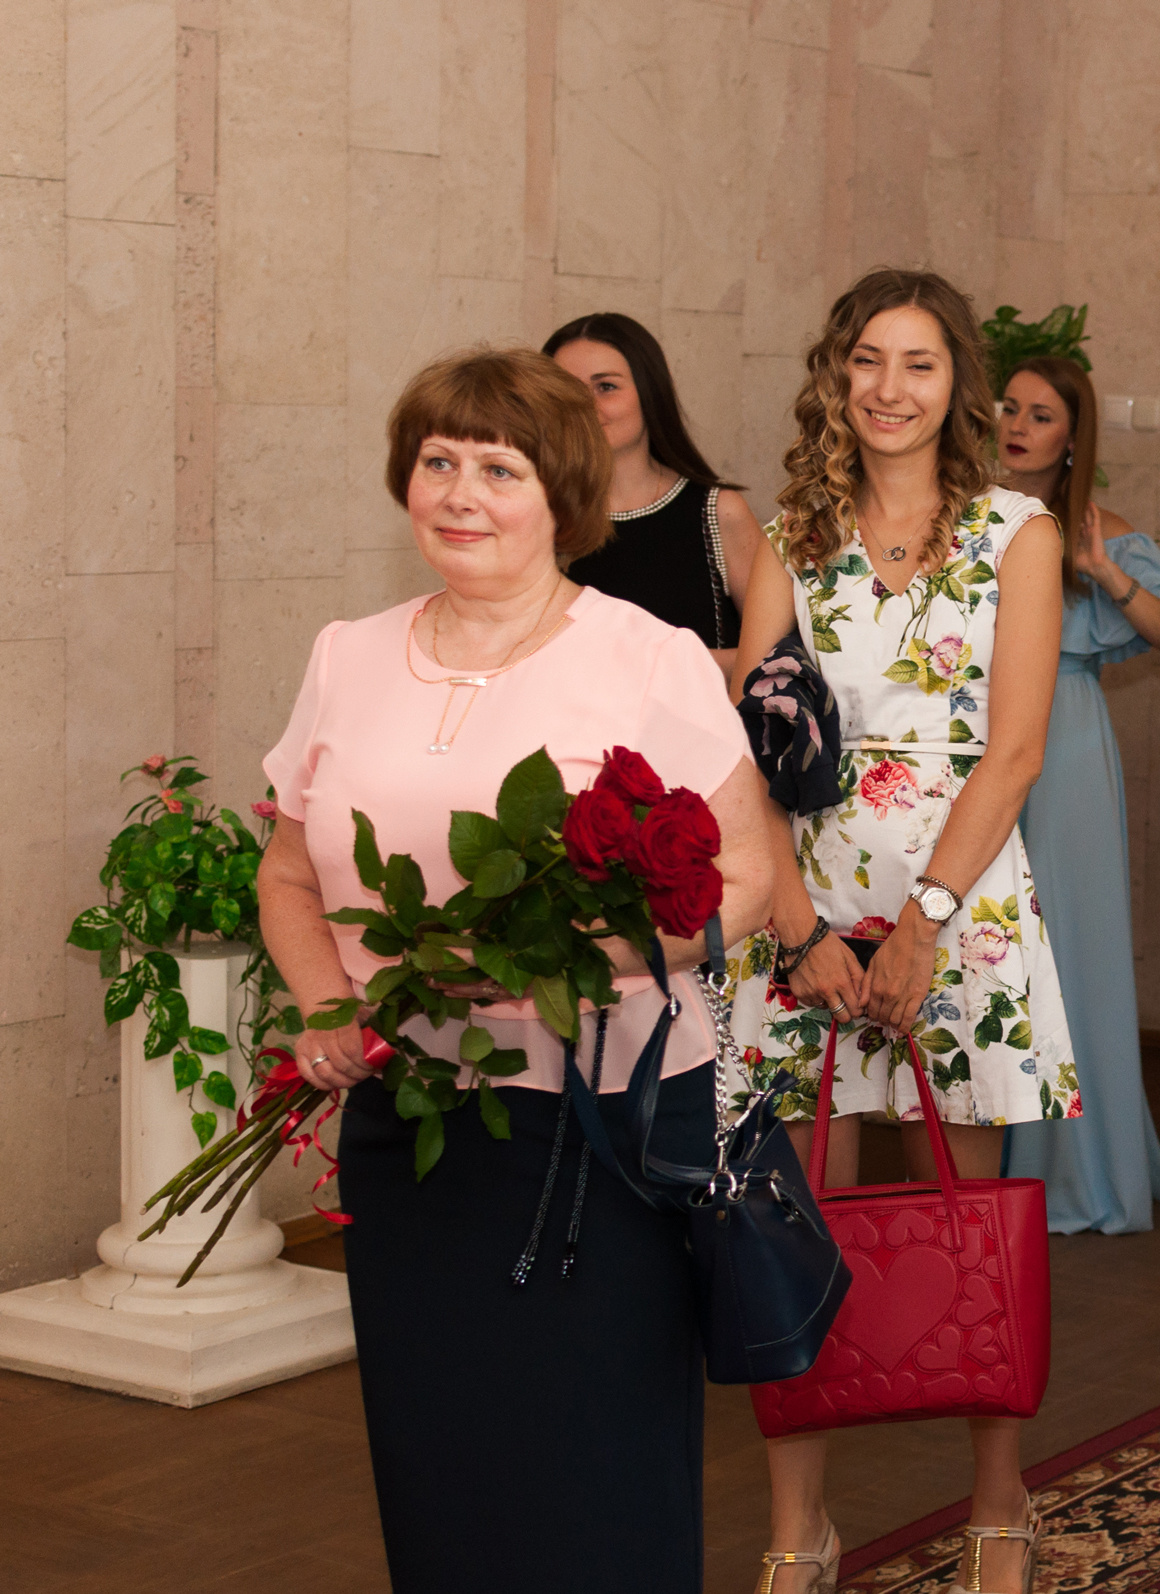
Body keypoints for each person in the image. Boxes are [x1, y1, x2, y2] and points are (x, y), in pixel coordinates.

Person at [256, 346, 779, 1592]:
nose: (460, 491)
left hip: (604, 1125)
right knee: (440, 1454)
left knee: (592, 1460)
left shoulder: (644, 656)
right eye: (438, 461)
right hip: (419, 1122)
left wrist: (582, 952)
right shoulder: (348, 651)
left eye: (498, 466)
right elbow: (287, 874)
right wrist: (327, 1002)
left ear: (561, 493)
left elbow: (747, 878)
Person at [730, 268, 1069, 1592]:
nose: (889, 387)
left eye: (919, 363)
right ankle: (796, 1521)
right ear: (836, 374)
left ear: (956, 387)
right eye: (868, 359)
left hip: (961, 906)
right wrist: (804, 924)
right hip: (803, 907)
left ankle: (998, 1498)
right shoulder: (787, 534)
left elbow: (1017, 745)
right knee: (791, 1219)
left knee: (968, 1210)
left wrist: (923, 919)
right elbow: (756, 745)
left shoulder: (1015, 533)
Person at [991, 354, 1160, 1235]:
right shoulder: (967, 517)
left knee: (1066, 948)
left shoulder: (1103, 531)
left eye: (1040, 414)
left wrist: (1106, 573)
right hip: (973, 738)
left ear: (1074, 436)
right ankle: (985, 1164)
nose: (1019, 425)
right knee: (984, 948)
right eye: (1009, 408)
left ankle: (1078, 1172)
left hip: (1064, 742)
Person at [545, 313, 767, 680]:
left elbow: (780, 654)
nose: (584, 405)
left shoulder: (717, 511)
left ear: (650, 393)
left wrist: (664, 663)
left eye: (606, 386)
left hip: (699, 732)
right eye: (565, 391)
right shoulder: (533, 517)